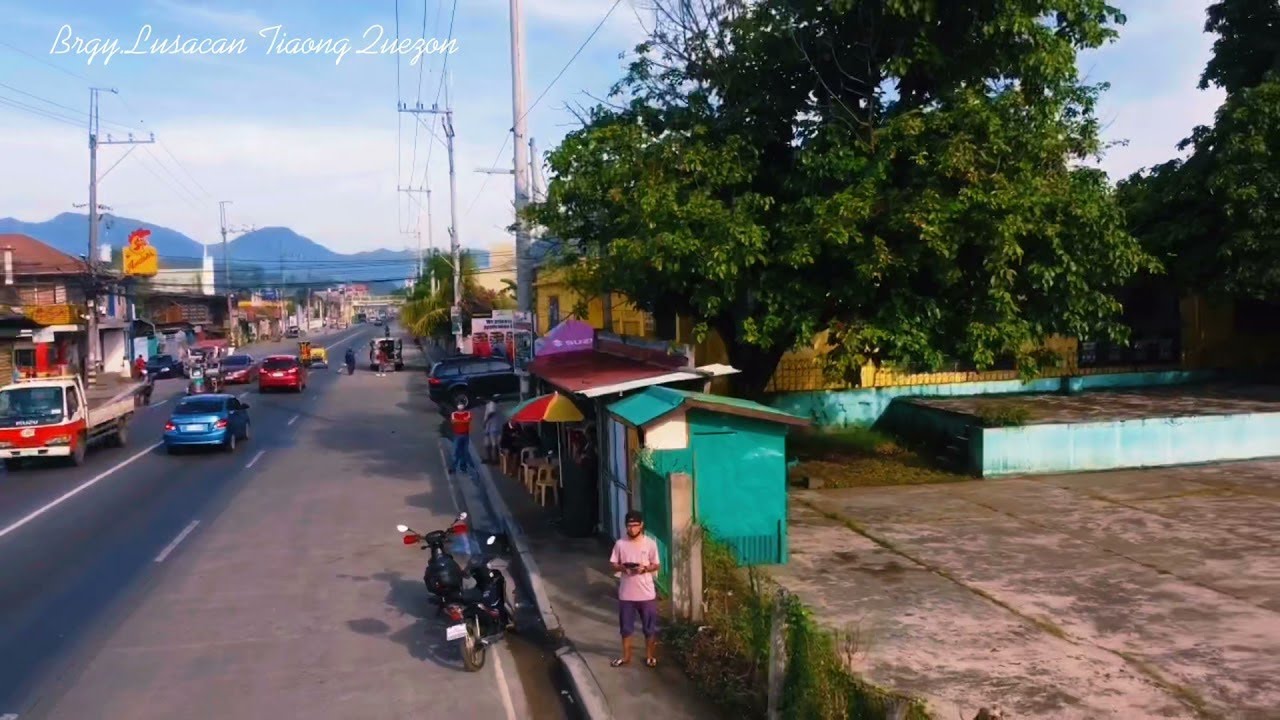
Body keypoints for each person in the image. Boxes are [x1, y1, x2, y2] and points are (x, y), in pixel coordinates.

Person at [609, 510, 660, 668]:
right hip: (626, 594)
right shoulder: (620, 544)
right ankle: (626, 657)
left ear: (641, 525)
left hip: (646, 594)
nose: (632, 529)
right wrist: (623, 568)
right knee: (625, 628)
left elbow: (656, 564)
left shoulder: (650, 543)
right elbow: (613, 564)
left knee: (649, 628)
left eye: (635, 525)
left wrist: (644, 569)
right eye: (629, 526)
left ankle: (650, 656)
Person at [449, 400, 474, 474]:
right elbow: (453, 421)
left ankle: (463, 468)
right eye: (459, 404)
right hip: (457, 435)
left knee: (465, 452)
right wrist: (463, 420)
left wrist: (459, 421)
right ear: (457, 406)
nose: (460, 406)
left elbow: (468, 421)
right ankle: (453, 468)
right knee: (456, 452)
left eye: (461, 404)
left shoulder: (468, 413)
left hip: (466, 435)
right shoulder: (454, 414)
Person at [483, 395, 504, 463]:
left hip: (493, 427)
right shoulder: (492, 404)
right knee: (490, 444)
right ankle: (491, 458)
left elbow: (491, 413)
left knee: (494, 444)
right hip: (492, 427)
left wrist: (485, 422)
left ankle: (494, 459)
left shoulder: (492, 404)